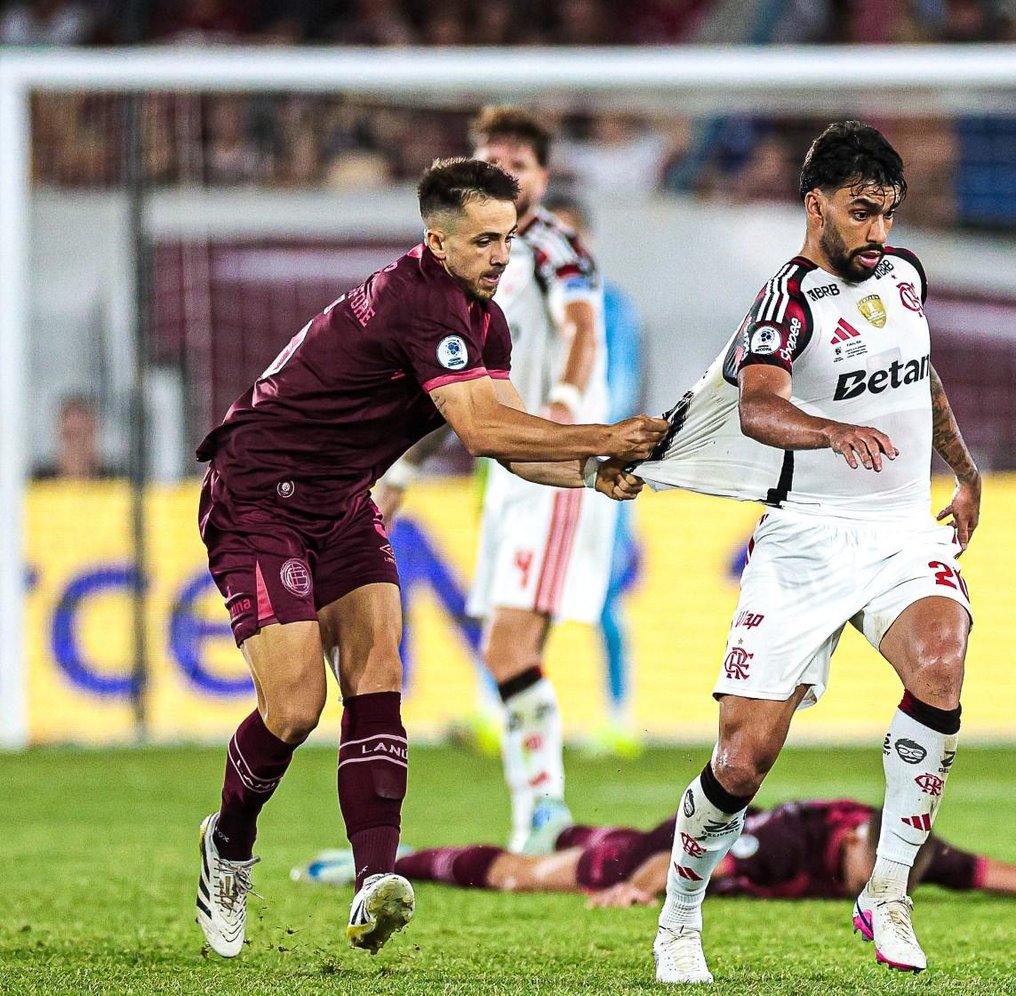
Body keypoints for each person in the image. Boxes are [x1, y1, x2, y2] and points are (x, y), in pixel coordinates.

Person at [190, 156, 664, 960]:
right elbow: (480, 431)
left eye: (508, 238)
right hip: (259, 496)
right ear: (437, 241)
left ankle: (375, 878)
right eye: (484, 241)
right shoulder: (420, 301)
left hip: (343, 502)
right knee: (297, 706)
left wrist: (591, 470)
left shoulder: (484, 319)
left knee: (379, 668)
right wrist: (605, 434)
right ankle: (228, 843)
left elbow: (511, 444)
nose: (502, 256)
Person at [631, 121, 982, 982]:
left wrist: (965, 469)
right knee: (743, 759)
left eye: (889, 213)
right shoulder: (786, 301)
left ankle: (888, 892)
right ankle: (679, 917)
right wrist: (830, 430)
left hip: (901, 533)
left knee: (941, 663)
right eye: (862, 213)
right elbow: (758, 407)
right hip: (805, 542)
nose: (879, 232)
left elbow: (920, 374)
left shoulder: (904, 276)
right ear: (816, 204)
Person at [378, 108, 615, 855]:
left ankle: (544, 811)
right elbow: (458, 392)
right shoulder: (465, 273)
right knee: (506, 648)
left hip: (552, 468)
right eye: (492, 162)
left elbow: (582, 327)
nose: (504, 175)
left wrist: (567, 408)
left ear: (542, 177)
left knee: (508, 646)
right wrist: (402, 470)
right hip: (513, 469)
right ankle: (536, 816)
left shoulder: (553, 246)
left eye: (518, 164)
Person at [292, 798, 1016, 908]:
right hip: (671, 843)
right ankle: (377, 860)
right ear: (850, 845)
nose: (886, 884)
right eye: (879, 874)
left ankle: (566, 825)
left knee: (570, 844)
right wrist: (641, 891)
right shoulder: (788, 842)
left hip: (694, 837)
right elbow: (696, 845)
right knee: (524, 877)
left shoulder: (907, 843)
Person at [545, 191, 646, 757]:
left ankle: (618, 715)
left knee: (603, 591)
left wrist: (596, 444)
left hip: (596, 468)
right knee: (523, 593)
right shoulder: (525, 305)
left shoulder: (613, 309)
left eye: (571, 235)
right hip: (542, 469)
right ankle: (499, 707)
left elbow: (623, 389)